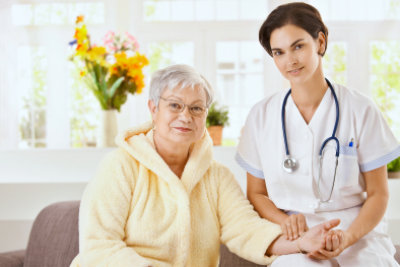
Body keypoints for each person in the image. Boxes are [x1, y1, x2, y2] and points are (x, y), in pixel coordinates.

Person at [70, 64, 341, 267]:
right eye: (174, 105)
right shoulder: (119, 166)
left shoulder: (217, 177)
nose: (185, 116)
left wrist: (300, 243)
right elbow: (99, 246)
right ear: (153, 109)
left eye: (196, 108)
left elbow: (246, 229)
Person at [236, 2, 400, 267]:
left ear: (320, 42)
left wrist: (347, 237)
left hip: (357, 234)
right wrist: (284, 220)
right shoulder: (261, 116)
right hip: (297, 236)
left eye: (298, 46)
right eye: (278, 52)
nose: (289, 61)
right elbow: (256, 194)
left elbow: (379, 194)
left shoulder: (360, 109)